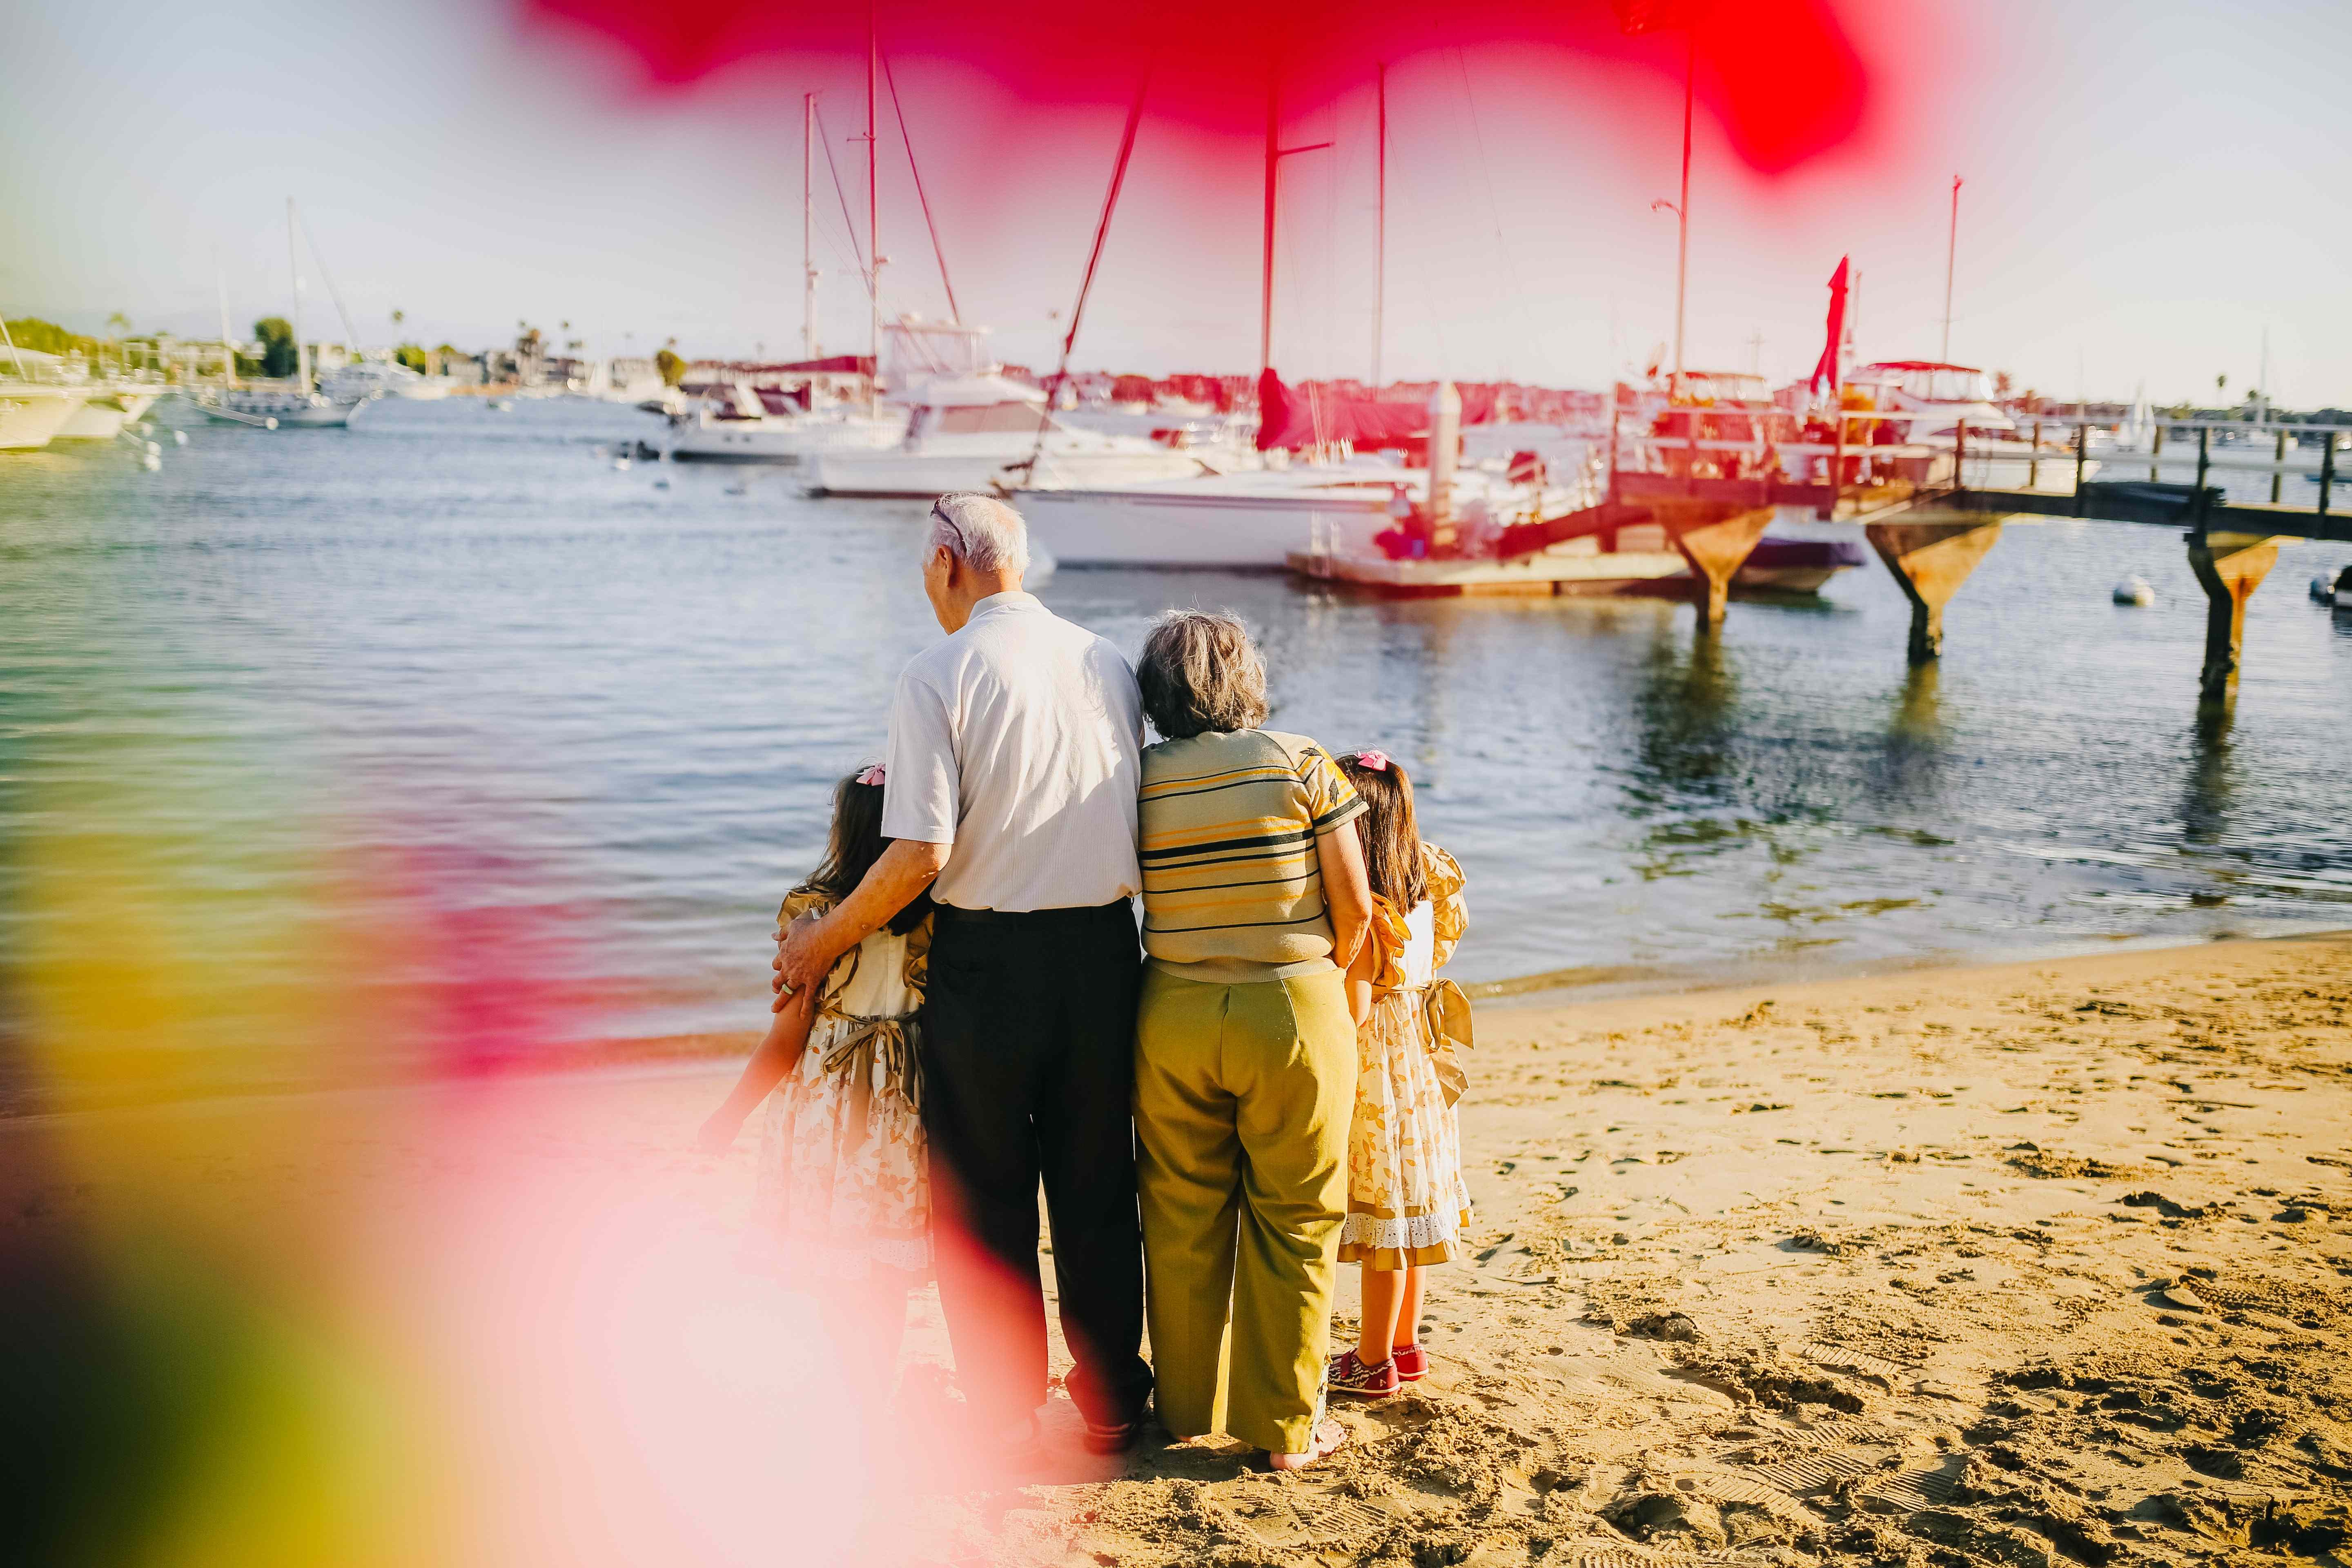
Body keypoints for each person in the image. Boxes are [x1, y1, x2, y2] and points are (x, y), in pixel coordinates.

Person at [770, 494, 1154, 1459]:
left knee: (984, 1195)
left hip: (988, 958)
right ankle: (1110, 1404)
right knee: (1098, 1182)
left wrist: (822, 940)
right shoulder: (1105, 661)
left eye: (922, 565)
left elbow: (918, 856)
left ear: (948, 561)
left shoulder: (937, 671)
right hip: (1109, 953)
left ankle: (1005, 1406)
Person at [1129, 610, 1376, 1472]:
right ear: (1245, 676)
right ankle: (1284, 1430)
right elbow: (1358, 909)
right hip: (1293, 1011)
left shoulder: (1138, 776)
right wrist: (1313, 979)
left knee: (1181, 1216)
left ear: (1154, 691)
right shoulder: (1301, 760)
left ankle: (1187, 1410)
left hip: (1171, 1012)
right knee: (1300, 1219)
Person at [696, 765, 934, 1394]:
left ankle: (833, 1383)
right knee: (882, 1263)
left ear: (842, 832)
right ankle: (872, 1384)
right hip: (904, 1107)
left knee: (828, 1255)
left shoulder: (813, 915)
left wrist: (729, 1117)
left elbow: (785, 1040)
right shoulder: (945, 913)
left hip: (827, 1106)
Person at [1321, 750, 1473, 1399]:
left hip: (1377, 1069)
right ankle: (1407, 1346)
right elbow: (1440, 950)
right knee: (1409, 1217)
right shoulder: (1429, 879)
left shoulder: (1368, 907)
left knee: (1384, 1228)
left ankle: (1372, 1359)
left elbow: (1356, 1007)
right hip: (1421, 1056)